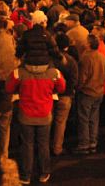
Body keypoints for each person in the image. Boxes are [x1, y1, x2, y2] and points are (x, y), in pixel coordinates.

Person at [7, 34, 65, 184]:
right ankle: (44, 173)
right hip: (45, 115)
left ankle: (26, 175)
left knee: (27, 145)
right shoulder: (54, 73)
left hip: (25, 115)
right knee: (44, 144)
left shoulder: (19, 73)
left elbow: (9, 87)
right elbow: (62, 87)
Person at [74, 34, 105, 154]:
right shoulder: (102, 57)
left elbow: (82, 77)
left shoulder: (85, 58)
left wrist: (78, 88)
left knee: (84, 119)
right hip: (99, 91)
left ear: (88, 44)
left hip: (87, 92)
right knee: (94, 118)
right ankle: (93, 142)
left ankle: (84, 144)